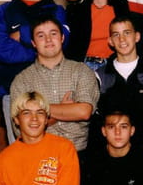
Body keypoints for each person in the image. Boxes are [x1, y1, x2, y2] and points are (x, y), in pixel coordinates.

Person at [0, 0, 69, 143]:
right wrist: (42, 49)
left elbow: (62, 43)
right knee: (21, 150)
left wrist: (22, 34)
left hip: (50, 91)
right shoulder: (4, 11)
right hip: (13, 91)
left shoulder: (56, 11)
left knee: (53, 149)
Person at [9, 16, 99, 152]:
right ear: (33, 43)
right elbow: (21, 130)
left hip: (78, 154)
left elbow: (84, 111)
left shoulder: (82, 71)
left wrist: (38, 112)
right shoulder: (22, 81)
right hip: (39, 155)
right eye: (41, 36)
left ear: (62, 38)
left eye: (53, 33)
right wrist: (65, 109)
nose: (48, 40)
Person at [93, 16, 143, 148]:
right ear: (110, 41)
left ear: (137, 36)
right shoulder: (100, 76)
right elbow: (97, 123)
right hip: (113, 153)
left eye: (127, 33)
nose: (122, 39)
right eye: (116, 34)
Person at [60, 0, 130, 69]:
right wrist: (73, 3)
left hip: (114, 65)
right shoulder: (79, 7)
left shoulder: (122, 6)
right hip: (84, 65)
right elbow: (71, 43)